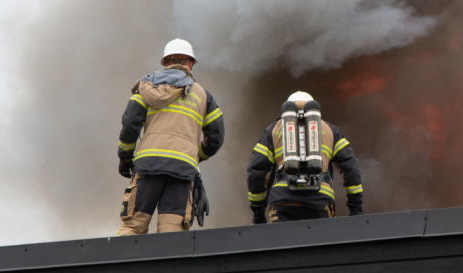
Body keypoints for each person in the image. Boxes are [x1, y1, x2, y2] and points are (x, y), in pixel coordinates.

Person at [116, 39, 224, 234]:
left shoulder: (145, 88)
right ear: (190, 63)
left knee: (133, 226)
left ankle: (118, 265)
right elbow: (216, 137)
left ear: (165, 62)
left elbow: (130, 124)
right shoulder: (204, 96)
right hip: (182, 170)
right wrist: (197, 155)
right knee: (171, 235)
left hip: (148, 166)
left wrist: (125, 158)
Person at [246, 91, 363, 223]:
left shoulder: (272, 131)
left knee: (282, 243)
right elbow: (351, 167)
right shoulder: (331, 130)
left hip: (283, 202)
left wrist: (258, 211)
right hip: (320, 201)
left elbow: (255, 171)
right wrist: (355, 208)